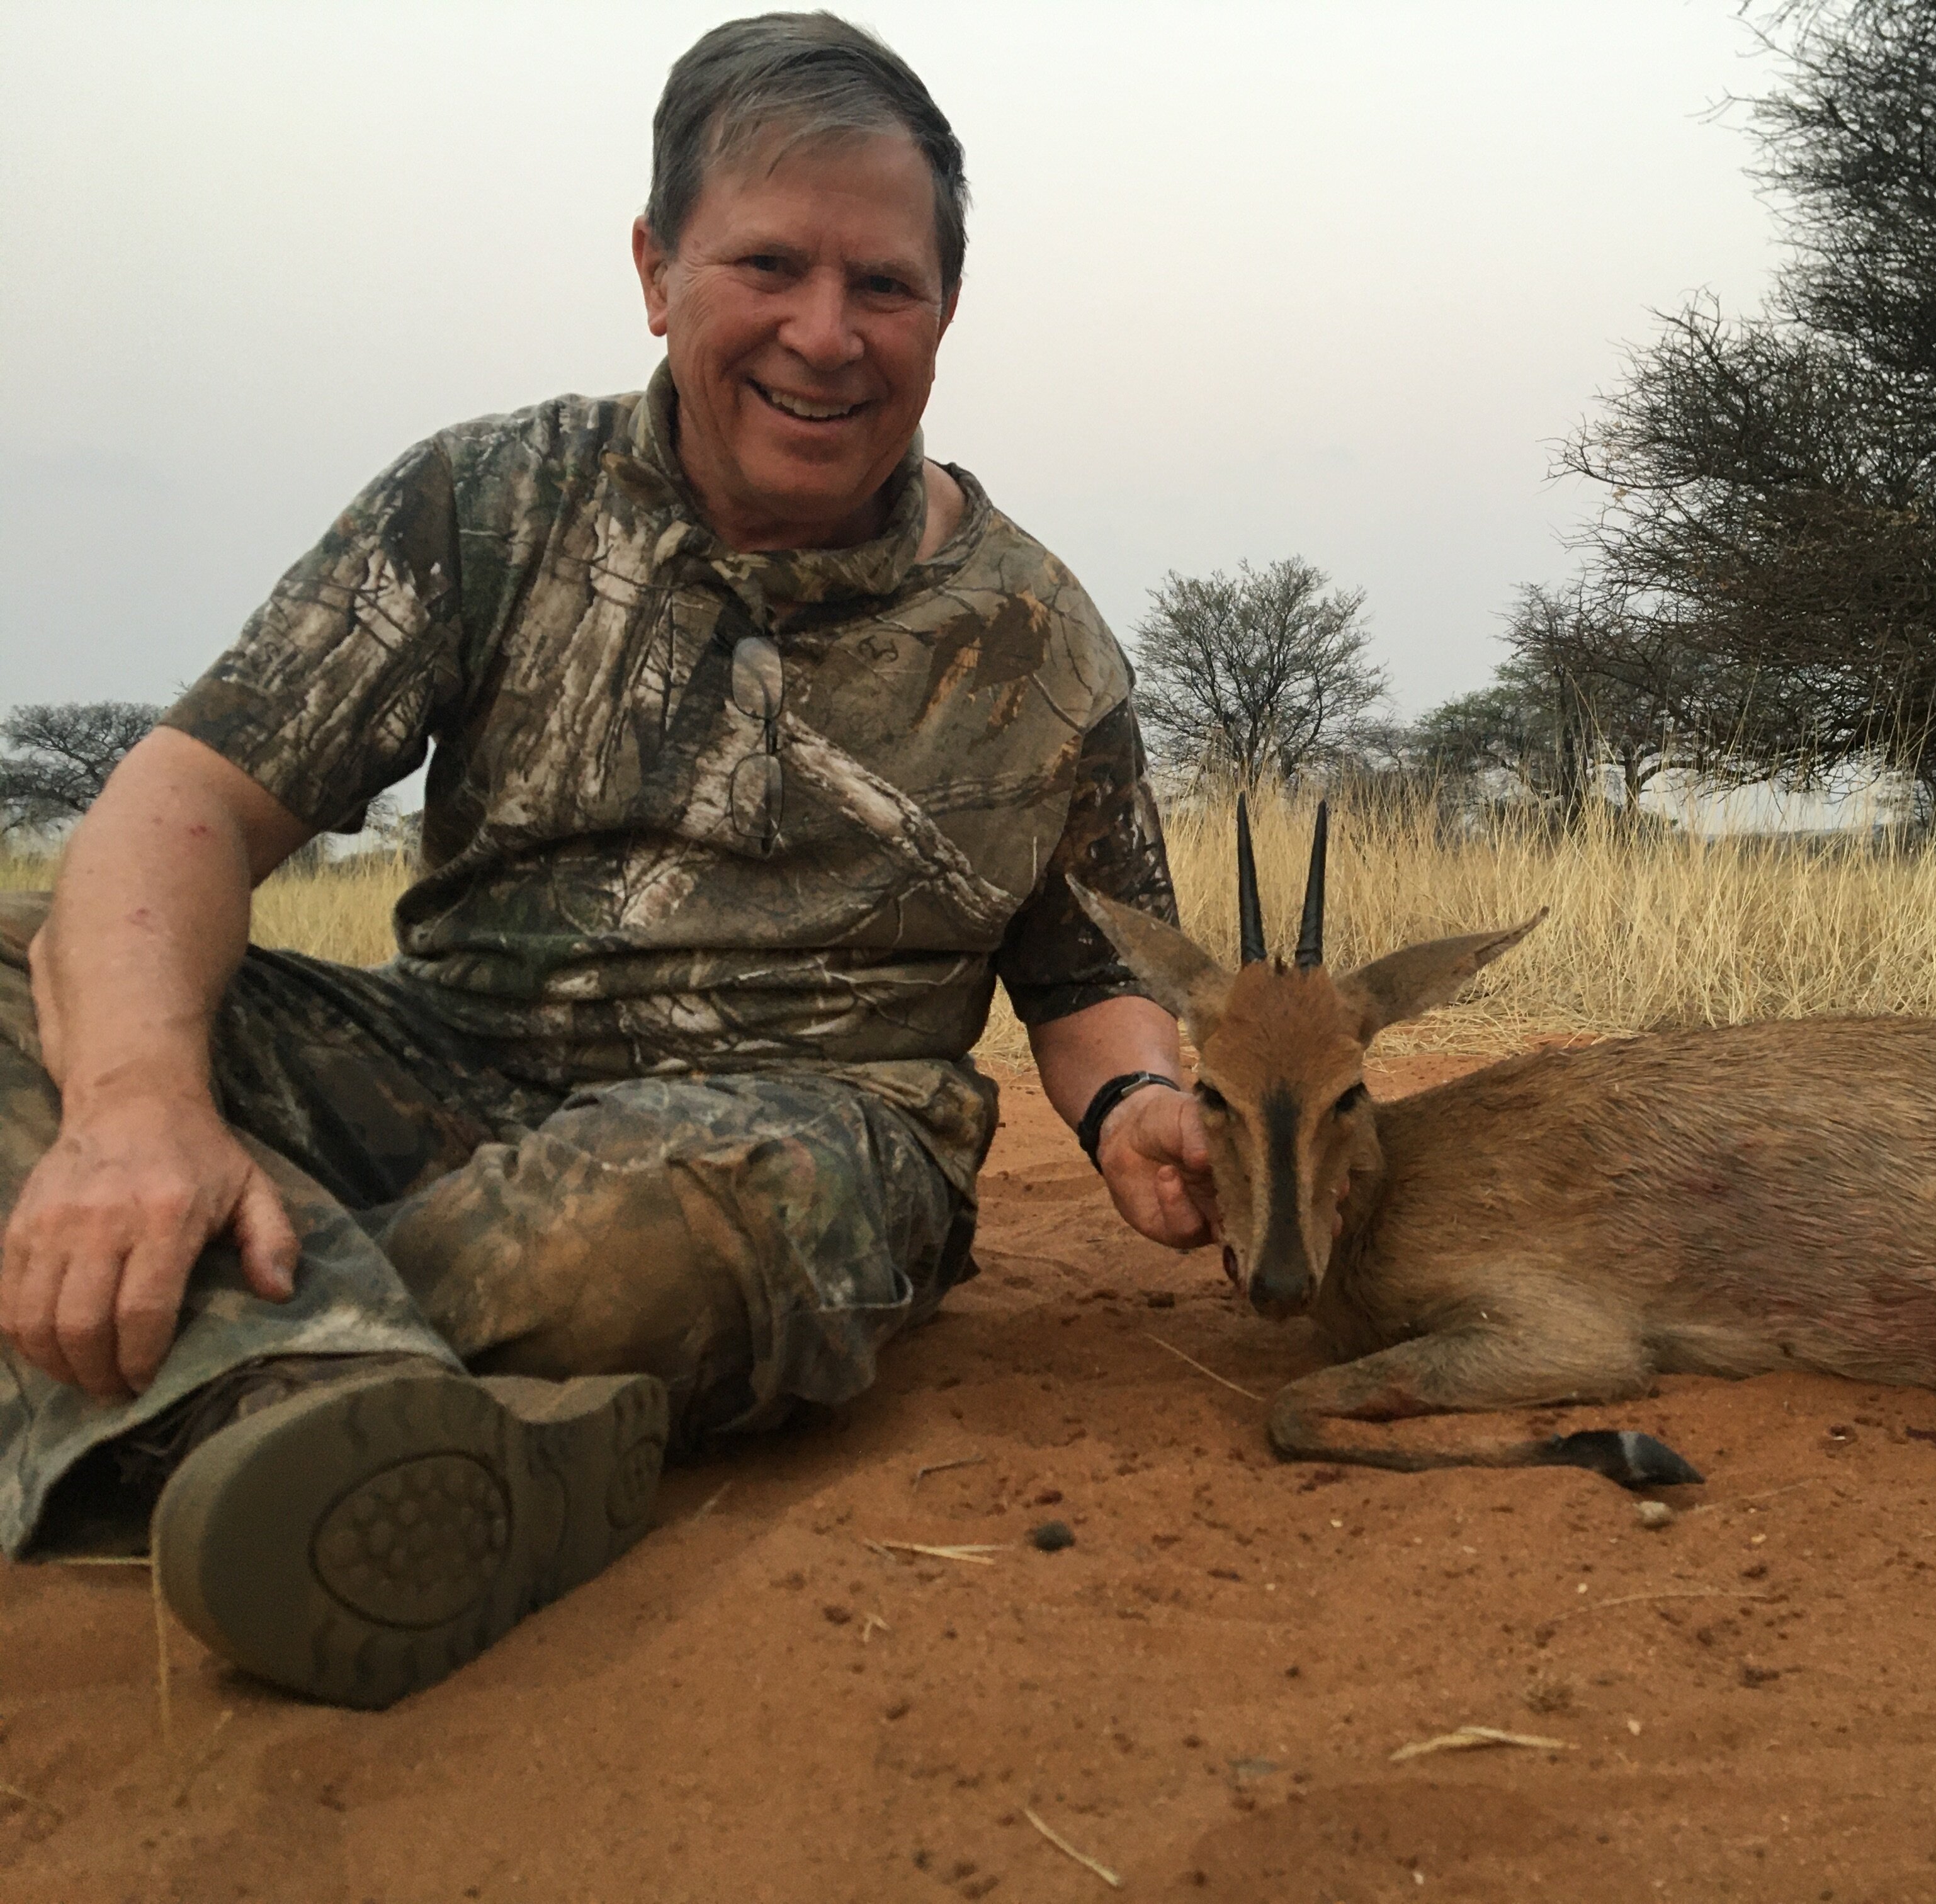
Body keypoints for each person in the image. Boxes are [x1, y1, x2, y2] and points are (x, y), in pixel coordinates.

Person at [0, 12, 1214, 1709]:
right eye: (768, 265)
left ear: (948, 311)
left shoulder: (1043, 634)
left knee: (631, 1240)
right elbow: (181, 813)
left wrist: (1138, 1105)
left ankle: (193, 1364)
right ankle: (324, 1420)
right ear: (655, 270)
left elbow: (1093, 974)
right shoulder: (481, 503)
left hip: (808, 1123)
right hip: (452, 1070)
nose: (825, 334)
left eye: (887, 286)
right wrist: (138, 1110)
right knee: (32, 981)